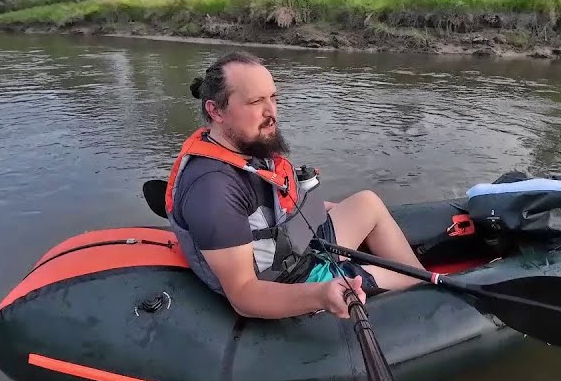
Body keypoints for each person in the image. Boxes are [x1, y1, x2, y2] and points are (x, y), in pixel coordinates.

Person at [163, 51, 428, 320]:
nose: (271, 112)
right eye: (256, 101)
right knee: (412, 281)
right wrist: (320, 294)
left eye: (273, 98)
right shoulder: (213, 190)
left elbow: (277, 208)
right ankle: (425, 286)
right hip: (285, 280)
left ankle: (417, 270)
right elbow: (244, 294)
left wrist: (324, 210)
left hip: (293, 247)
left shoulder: (244, 146)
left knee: (366, 203)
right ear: (215, 110)